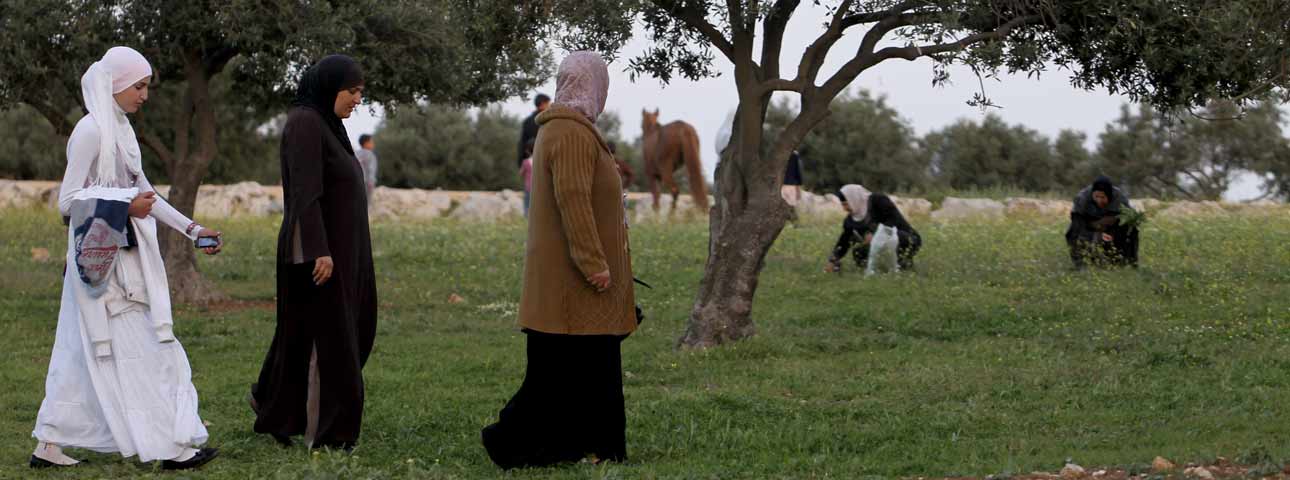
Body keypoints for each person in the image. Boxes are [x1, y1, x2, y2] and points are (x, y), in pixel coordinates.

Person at [31, 46, 221, 470]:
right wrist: (123, 206)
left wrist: (193, 230)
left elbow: (147, 194)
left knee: (77, 354)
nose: (145, 95)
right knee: (148, 349)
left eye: (147, 85)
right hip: (104, 268)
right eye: (139, 85)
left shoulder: (122, 131)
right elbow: (67, 201)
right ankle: (172, 448)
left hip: (120, 261)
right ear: (116, 85)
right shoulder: (91, 132)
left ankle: (48, 444)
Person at [482, 51, 637, 469]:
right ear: (591, 85)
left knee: (585, 366)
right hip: (576, 281)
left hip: (574, 283)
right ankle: (509, 442)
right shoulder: (569, 132)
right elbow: (573, 201)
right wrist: (594, 264)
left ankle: (586, 446)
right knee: (557, 375)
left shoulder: (575, 130)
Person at [250, 54, 378, 451]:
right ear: (330, 88)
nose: (358, 99)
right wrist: (320, 250)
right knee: (329, 340)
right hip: (319, 255)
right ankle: (330, 431)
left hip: (343, 252)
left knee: (308, 335)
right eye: (352, 90)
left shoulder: (328, 125)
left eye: (360, 91)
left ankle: (273, 406)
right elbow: (306, 193)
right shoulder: (306, 122)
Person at [825, 184, 922, 273]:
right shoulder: (850, 221)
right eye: (843, 205)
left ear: (853, 198)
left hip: (906, 238)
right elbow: (844, 241)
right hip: (878, 244)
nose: (844, 208)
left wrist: (875, 234)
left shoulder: (878, 200)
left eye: (846, 204)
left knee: (893, 238)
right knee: (858, 252)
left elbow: (893, 220)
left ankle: (903, 263)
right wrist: (833, 260)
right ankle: (878, 268)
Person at [1066, 175, 1139, 269]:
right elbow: (1078, 225)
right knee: (1072, 233)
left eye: (1103, 197)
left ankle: (1127, 263)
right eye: (1096, 196)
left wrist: (1111, 230)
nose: (1099, 200)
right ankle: (1081, 265)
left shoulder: (1119, 198)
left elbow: (1129, 219)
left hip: (1112, 227)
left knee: (1132, 230)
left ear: (1109, 195)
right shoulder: (1082, 198)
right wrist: (1095, 232)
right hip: (1090, 226)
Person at [517, 93, 551, 167]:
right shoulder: (547, 120)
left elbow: (522, 143)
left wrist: (521, 162)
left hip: (530, 161)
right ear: (542, 104)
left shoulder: (527, 121)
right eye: (548, 103)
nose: (550, 106)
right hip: (544, 160)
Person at [355, 133, 378, 201]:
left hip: (356, 181)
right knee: (367, 202)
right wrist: (371, 182)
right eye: (371, 142)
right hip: (367, 183)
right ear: (366, 143)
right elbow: (371, 169)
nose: (373, 144)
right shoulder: (370, 155)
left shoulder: (356, 153)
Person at [519, 138, 535, 216]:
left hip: (528, 187)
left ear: (527, 151)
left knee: (526, 205)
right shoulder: (539, 162)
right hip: (538, 187)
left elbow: (521, 173)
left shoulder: (525, 162)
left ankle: (527, 218)